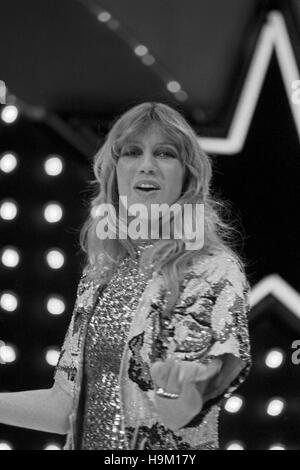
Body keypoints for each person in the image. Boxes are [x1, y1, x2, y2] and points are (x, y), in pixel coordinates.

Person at [0, 102, 251, 450]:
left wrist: (189, 387)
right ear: (114, 171)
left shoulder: (212, 269)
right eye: (132, 152)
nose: (146, 165)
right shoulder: (99, 274)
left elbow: (199, 393)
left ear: (188, 175)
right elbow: (64, 407)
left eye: (164, 153)